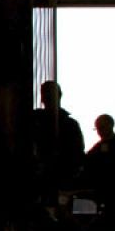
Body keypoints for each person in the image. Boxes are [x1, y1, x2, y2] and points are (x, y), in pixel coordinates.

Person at [30, 80, 85, 209]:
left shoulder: (36, 120)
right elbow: (78, 153)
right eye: (45, 94)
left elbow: (76, 153)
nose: (46, 98)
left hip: (55, 175)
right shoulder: (69, 123)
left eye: (48, 94)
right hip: (54, 175)